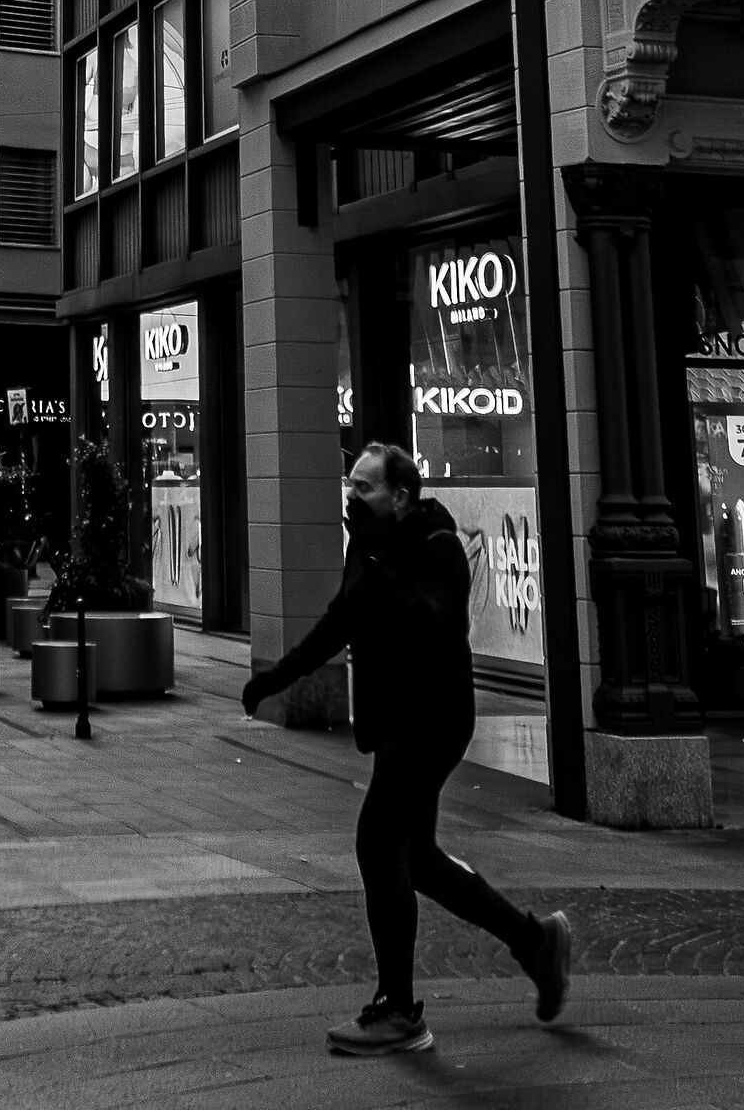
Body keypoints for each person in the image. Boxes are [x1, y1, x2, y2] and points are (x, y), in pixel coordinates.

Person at [242, 440, 570, 1058]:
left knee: (378, 843)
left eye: (364, 487)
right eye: (351, 484)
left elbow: (431, 621)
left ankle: (399, 1010)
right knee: (416, 858)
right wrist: (276, 678)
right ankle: (535, 943)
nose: (352, 495)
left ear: (400, 495)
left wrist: (378, 561)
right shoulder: (368, 548)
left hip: (432, 719)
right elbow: (339, 622)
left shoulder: (437, 545)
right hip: (395, 720)